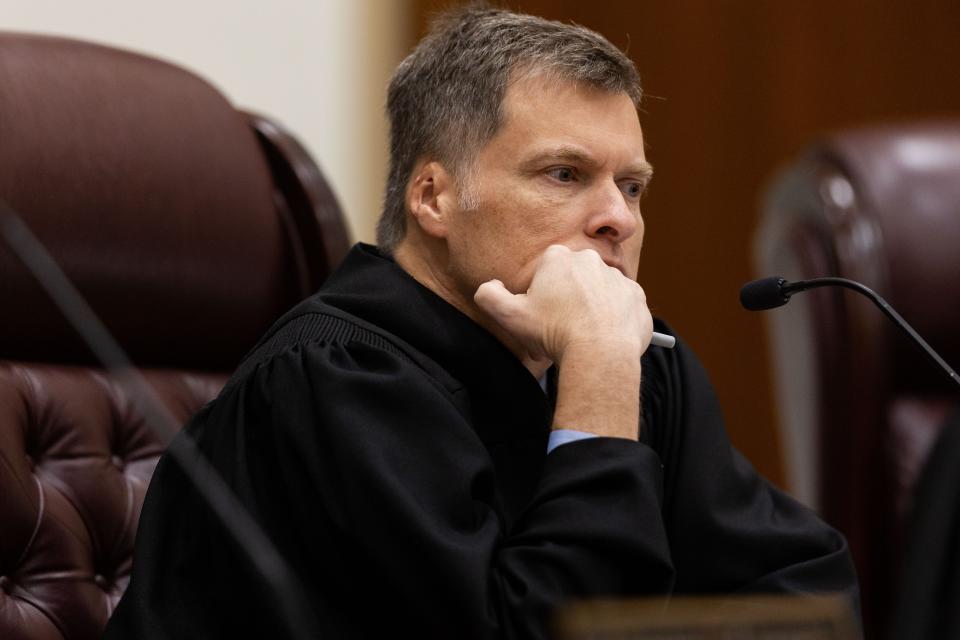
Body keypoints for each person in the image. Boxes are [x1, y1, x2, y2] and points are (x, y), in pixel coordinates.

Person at [104, 6, 858, 638]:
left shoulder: (642, 362)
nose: (617, 219)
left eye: (632, 186)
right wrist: (596, 383)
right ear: (432, 198)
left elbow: (805, 590)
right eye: (565, 175)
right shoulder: (334, 382)